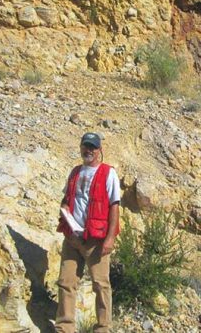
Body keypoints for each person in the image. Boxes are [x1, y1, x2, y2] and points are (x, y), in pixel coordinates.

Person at [55, 132, 121, 333]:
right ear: (81, 147)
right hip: (73, 238)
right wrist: (65, 210)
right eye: (86, 146)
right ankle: (65, 327)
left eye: (93, 147)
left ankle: (103, 328)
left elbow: (114, 207)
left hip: (96, 240)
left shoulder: (108, 173)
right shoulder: (75, 172)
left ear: (99, 150)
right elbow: (67, 199)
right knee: (66, 283)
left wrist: (110, 238)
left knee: (101, 285)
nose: (88, 150)